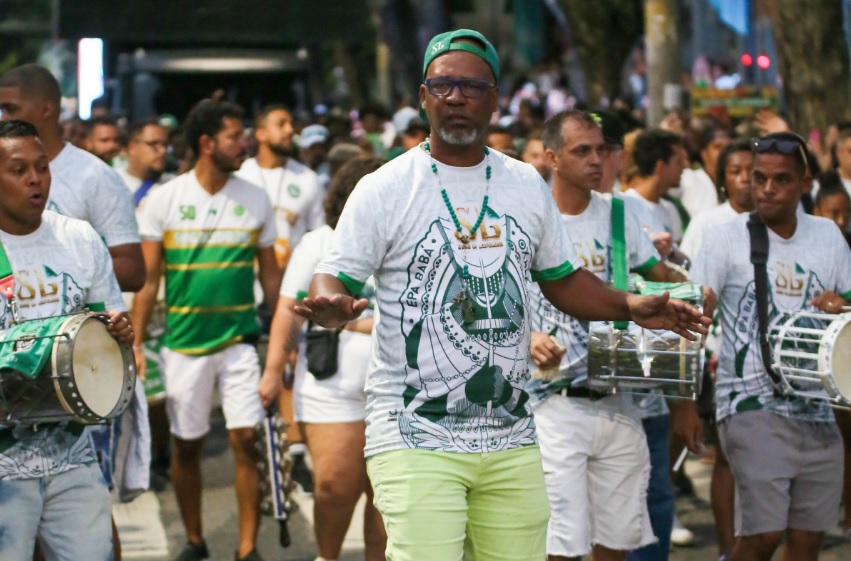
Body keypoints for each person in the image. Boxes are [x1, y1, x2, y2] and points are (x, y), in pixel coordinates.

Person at [295, 28, 709, 561]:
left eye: (472, 86)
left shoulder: (524, 183)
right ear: (423, 97)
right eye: (442, 87)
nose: (457, 98)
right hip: (415, 433)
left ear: (494, 99)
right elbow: (334, 277)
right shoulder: (384, 187)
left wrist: (630, 305)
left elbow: (560, 278)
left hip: (511, 433)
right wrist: (331, 304)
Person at [528, 109, 703, 561]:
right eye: (581, 150)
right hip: (552, 401)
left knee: (619, 539)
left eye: (601, 149)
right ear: (552, 157)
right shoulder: (530, 216)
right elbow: (497, 298)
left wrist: (695, 293)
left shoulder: (620, 214)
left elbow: (662, 282)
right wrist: (528, 336)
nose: (596, 160)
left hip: (623, 395)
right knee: (562, 541)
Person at [689, 132, 851, 561]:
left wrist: (844, 304)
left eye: (780, 180)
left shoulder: (828, 237)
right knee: (763, 535)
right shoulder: (726, 237)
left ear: (804, 183)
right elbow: (693, 316)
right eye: (759, 179)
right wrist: (683, 402)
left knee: (807, 541)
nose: (765, 189)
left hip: (816, 409)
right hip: (749, 403)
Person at [132, 99, 283, 561]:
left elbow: (271, 276)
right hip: (182, 344)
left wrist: (283, 339)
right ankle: (195, 541)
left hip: (240, 340)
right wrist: (135, 342)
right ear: (205, 143)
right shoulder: (164, 200)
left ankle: (246, 548)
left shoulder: (256, 197)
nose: (244, 144)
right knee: (187, 444)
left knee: (245, 438)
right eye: (235, 136)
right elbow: (149, 279)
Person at [0, 119, 133, 561]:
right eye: (19, 170)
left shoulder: (77, 238)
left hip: (72, 449)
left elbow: (106, 319)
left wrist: (118, 332)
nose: (35, 178)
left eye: (42, 167)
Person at [265, 156, 387, 561]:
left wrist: (355, 326)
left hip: (395, 389)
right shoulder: (318, 242)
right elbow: (287, 309)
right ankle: (327, 556)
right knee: (334, 486)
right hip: (330, 387)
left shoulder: (402, 238)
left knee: (387, 496)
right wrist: (271, 371)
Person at [0, 64, 144, 292]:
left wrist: (51, 273)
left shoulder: (95, 176)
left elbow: (133, 270)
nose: (4, 118)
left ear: (46, 110)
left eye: (11, 108)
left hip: (78, 323)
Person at [237, 104, 324, 270]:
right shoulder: (241, 174)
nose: (290, 130)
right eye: (281, 124)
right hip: (248, 282)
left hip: (293, 284)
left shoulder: (307, 178)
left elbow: (319, 236)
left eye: (291, 123)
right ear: (260, 134)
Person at [671, 125, 730, 218]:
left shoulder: (738, 184)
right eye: (718, 147)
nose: (724, 152)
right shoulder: (689, 178)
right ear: (704, 154)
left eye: (728, 148)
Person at [116, 119, 171, 206]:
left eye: (165, 145)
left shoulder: (174, 185)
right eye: (153, 144)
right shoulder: (112, 182)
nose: (162, 150)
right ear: (132, 147)